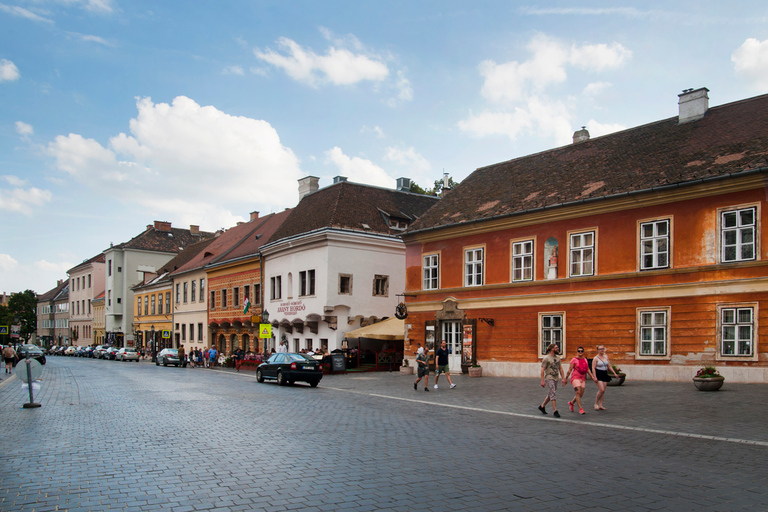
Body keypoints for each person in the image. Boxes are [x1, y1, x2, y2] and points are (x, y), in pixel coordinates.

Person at [563, 346, 593, 415]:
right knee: (578, 393)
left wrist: (592, 376)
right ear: (577, 352)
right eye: (579, 351)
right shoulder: (574, 360)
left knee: (581, 394)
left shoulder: (585, 360)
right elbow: (570, 369)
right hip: (575, 377)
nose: (580, 352)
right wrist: (566, 378)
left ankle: (571, 403)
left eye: (581, 351)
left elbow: (588, 369)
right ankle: (580, 408)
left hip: (583, 378)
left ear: (583, 352)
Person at [539, 343, 564, 418]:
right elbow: (542, 370)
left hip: (556, 377)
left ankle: (542, 406)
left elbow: (560, 368)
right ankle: (555, 411)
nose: (558, 348)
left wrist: (563, 378)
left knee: (551, 393)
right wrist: (542, 381)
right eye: (556, 347)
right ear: (552, 349)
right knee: (553, 392)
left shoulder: (558, 358)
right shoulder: (546, 358)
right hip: (549, 377)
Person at [591, 345, 620, 411]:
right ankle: (596, 403)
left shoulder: (606, 357)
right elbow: (593, 368)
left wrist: (614, 373)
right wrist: (594, 376)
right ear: (597, 350)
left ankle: (601, 404)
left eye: (602, 349)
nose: (602, 350)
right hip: (599, 374)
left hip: (604, 373)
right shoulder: (595, 358)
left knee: (603, 390)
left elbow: (609, 366)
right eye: (600, 349)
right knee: (601, 389)